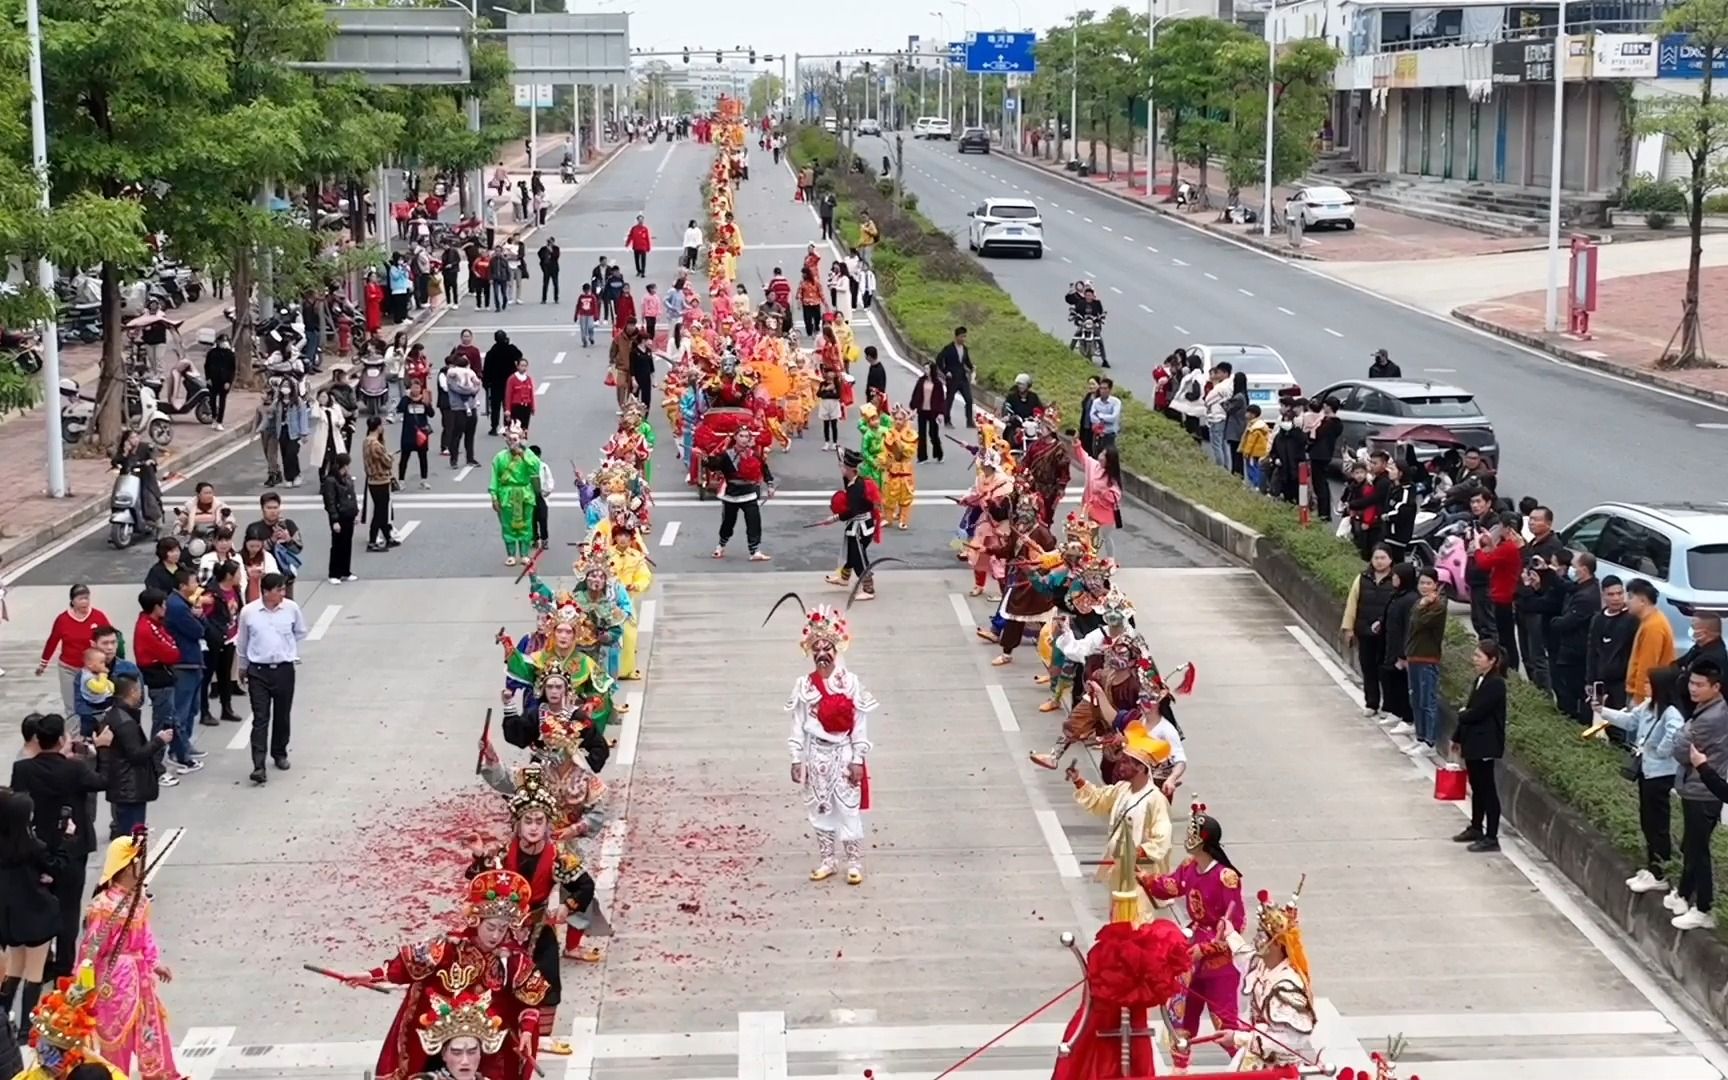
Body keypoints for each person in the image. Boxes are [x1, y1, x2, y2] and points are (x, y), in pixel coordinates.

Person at [328, 871, 548, 1080]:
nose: (496, 935)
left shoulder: (512, 960)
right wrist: (370, 975)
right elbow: (406, 966)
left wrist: (527, 1031)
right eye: (491, 927)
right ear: (477, 920)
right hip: (439, 1039)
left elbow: (529, 1000)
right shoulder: (448, 947)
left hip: (488, 1046)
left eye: (502, 929)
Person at [1137, 801, 1244, 1073]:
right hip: (1190, 949)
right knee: (1182, 1019)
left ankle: (1248, 1068)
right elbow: (1171, 887)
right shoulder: (1188, 866)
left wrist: (1206, 949)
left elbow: (1236, 924)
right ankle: (1180, 1070)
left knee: (1225, 1023)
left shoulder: (1226, 878)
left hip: (1218, 959)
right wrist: (1147, 879)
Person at [781, 603, 877, 884]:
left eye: (827, 649)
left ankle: (854, 862)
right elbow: (797, 724)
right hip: (815, 754)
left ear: (837, 651)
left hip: (843, 754)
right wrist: (796, 758)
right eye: (817, 650)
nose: (822, 654)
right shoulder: (804, 685)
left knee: (848, 808)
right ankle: (828, 860)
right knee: (819, 809)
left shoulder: (851, 683)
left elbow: (860, 724)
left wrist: (858, 760)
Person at [10, 713, 108, 981]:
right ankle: (65, 963)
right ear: (62, 739)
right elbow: (102, 782)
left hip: (38, 848)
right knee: (69, 906)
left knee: (40, 904)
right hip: (72, 847)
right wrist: (101, 751)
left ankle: (42, 961)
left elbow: (18, 807)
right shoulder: (74, 769)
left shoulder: (24, 770)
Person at [75, 832, 179, 1080]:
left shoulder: (139, 901)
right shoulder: (102, 906)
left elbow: (146, 938)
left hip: (141, 979)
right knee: (116, 1038)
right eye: (137, 865)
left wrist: (154, 963)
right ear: (126, 867)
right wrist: (81, 985)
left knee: (150, 1031)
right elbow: (90, 949)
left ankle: (161, 1075)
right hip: (115, 981)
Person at [1063, 719, 1174, 925]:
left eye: (1126, 762)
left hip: (1139, 874)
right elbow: (1100, 799)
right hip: (1118, 872)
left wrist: (1136, 853)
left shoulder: (1155, 799)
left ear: (1141, 768)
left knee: (1138, 925)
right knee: (1118, 923)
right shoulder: (1122, 788)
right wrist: (1079, 780)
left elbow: (1162, 837)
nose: (1120, 766)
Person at [1586, 666, 1684, 896]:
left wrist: (1659, 751)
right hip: (1646, 771)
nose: (1646, 687)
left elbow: (1675, 734)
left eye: (1650, 684)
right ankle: (1652, 866)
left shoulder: (1670, 713)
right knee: (1647, 820)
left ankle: (1660, 872)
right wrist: (1603, 711)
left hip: (1659, 774)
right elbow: (1630, 721)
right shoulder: (1649, 705)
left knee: (1658, 824)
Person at [1222, 882, 1321, 1070]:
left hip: (1277, 1068)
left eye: (1262, 934)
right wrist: (1230, 934)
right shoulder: (1264, 964)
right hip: (1256, 1059)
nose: (1256, 938)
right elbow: (1246, 958)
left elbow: (1289, 1040)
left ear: (1276, 944)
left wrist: (1238, 1037)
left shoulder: (1287, 985)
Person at [0, 787, 71, 1026]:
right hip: (36, 913)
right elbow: (57, 867)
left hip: (8, 918)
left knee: (14, 968)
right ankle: (26, 1027)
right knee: (34, 971)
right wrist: (65, 838)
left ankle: (3, 1016)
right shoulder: (33, 846)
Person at [1667, 661, 1728, 930]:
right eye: (1692, 683)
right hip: (1697, 787)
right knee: (1691, 846)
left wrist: (1683, 734)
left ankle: (1703, 908)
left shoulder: (1712, 717)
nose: (1693, 689)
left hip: (1703, 791)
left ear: (1716, 687)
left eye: (1700, 685)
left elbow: (1680, 750)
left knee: (1698, 849)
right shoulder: (1709, 709)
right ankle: (1683, 894)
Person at [234, 572, 307, 785]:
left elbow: (300, 632)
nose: (283, 594)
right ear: (266, 591)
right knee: (260, 717)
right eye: (279, 590)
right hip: (258, 671)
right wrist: (243, 667)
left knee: (282, 714)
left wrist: (285, 647)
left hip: (284, 669)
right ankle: (258, 764)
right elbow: (243, 643)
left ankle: (279, 752)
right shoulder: (249, 612)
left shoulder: (291, 608)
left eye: (283, 590)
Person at [91, 676, 170, 838]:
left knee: (129, 835)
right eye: (139, 690)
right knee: (133, 838)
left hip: (123, 786)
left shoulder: (115, 715)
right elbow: (136, 754)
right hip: (130, 788)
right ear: (133, 692)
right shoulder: (126, 722)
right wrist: (159, 741)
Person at [1451, 640, 1508, 853]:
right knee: (1476, 787)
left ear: (1492, 660)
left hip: (1486, 743)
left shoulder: (1496, 684)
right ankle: (1476, 826)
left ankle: (1492, 836)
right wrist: (1457, 737)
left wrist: (1462, 714)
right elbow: (1470, 709)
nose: (1475, 659)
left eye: (1479, 656)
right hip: (1472, 741)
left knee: (1488, 789)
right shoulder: (1480, 680)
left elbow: (1476, 712)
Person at [36, 586, 111, 715]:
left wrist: (112, 658)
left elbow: (110, 637)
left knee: (94, 704)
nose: (84, 602)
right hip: (68, 669)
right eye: (80, 599)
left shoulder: (98, 616)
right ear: (72, 601)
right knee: (72, 708)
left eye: (87, 598)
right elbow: (52, 641)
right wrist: (43, 664)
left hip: (92, 669)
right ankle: (74, 734)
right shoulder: (62, 620)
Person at [707, 425, 774, 562]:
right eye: (741, 436)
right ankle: (721, 545)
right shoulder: (727, 454)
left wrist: (770, 485)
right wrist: (706, 459)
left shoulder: (753, 454)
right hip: (732, 494)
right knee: (728, 523)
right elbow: (714, 466)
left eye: (746, 436)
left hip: (749, 493)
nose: (744, 439)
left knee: (754, 522)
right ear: (735, 437)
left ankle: (754, 550)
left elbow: (764, 468)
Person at [821, 450, 879, 599]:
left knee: (858, 556)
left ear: (850, 469)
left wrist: (834, 518)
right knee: (851, 553)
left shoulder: (856, 487)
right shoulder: (853, 481)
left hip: (861, 527)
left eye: (843, 467)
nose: (841, 469)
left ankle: (868, 588)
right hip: (859, 525)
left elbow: (853, 511)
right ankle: (844, 578)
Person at [1405, 567, 1448, 751]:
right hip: (1414, 655)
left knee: (1427, 701)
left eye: (1428, 583)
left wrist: (1422, 607)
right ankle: (1420, 737)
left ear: (1435, 585)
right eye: (1422, 583)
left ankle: (1430, 741)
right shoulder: (1419, 603)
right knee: (1415, 699)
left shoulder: (1438, 605)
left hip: (1428, 657)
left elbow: (1419, 622)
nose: (1424, 586)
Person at [490, 426, 542, 567]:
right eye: (510, 439)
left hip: (525, 493)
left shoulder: (528, 454)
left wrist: (523, 454)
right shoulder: (500, 457)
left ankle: (524, 554)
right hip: (507, 494)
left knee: (526, 523)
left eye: (516, 439)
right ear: (506, 440)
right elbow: (494, 478)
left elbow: (536, 468)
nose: (513, 442)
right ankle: (511, 554)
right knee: (507, 525)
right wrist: (494, 497)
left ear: (521, 439)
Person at [1626, 578, 1677, 707]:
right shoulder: (1651, 620)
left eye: (1630, 597)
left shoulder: (1654, 626)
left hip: (1646, 696)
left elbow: (1647, 667)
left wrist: (1639, 700)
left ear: (1643, 601)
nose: (1626, 602)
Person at [321, 453, 359, 584]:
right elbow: (330, 502)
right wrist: (334, 520)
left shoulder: (347, 479)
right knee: (337, 545)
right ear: (344, 465)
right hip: (339, 516)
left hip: (348, 514)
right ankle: (334, 573)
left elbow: (352, 497)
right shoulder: (331, 481)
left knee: (347, 543)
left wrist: (355, 513)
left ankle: (345, 571)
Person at [394, 382, 431, 491]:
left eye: (418, 387)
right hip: (408, 434)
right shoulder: (406, 400)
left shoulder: (424, 400)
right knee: (404, 458)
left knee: (423, 458)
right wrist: (406, 398)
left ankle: (424, 480)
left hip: (421, 434)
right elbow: (399, 409)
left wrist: (427, 403)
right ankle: (401, 481)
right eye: (414, 387)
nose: (415, 390)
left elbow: (431, 414)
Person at [936, 327, 974, 427]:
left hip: (962, 378)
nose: (964, 339)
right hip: (952, 378)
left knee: (969, 399)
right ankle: (947, 420)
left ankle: (969, 421)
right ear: (956, 337)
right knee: (949, 399)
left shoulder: (965, 349)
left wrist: (972, 367)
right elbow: (939, 360)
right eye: (962, 336)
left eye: (965, 336)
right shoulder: (948, 349)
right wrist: (945, 371)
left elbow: (966, 361)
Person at [203, 333, 236, 430]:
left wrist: (229, 381)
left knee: (222, 401)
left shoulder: (230, 355)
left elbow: (232, 369)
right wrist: (208, 378)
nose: (223, 343)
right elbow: (207, 366)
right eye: (222, 341)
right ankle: (213, 418)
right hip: (213, 380)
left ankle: (220, 421)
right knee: (212, 400)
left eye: (225, 341)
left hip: (224, 381)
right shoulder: (212, 353)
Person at [504, 357, 536, 433]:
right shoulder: (512, 379)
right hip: (516, 407)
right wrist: (507, 409)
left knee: (525, 429)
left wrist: (533, 407)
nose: (524, 368)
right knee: (516, 429)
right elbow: (508, 395)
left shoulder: (528, 379)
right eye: (522, 366)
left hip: (526, 407)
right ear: (517, 366)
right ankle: (516, 444)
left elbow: (531, 394)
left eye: (525, 366)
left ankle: (523, 443)